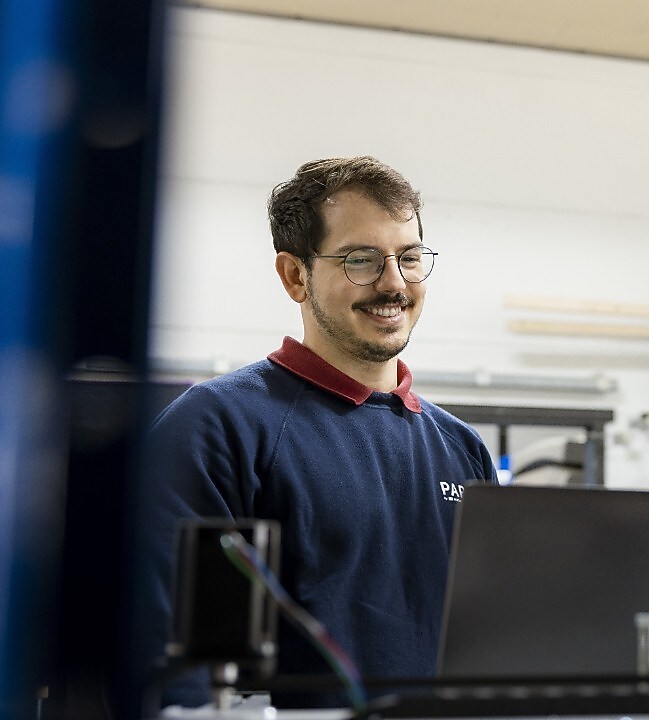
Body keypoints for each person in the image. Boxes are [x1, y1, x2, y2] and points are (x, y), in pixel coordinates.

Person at [140, 156, 497, 708]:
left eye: (409, 258)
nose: (393, 284)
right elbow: (174, 669)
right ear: (294, 276)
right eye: (361, 261)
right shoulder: (216, 428)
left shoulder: (461, 447)